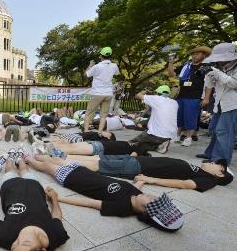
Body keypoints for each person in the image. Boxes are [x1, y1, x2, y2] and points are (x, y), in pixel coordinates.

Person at [26, 155, 185, 232]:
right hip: (83, 171)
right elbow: (136, 186)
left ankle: (27, 159)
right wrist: (143, 180)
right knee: (55, 159)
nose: (152, 196)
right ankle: (36, 153)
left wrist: (60, 199)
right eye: (156, 197)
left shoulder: (122, 208)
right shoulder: (136, 194)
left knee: (47, 166)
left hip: (72, 179)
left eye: (151, 200)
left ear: (143, 211)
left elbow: (91, 203)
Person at [0, 150, 69, 250]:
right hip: (34, 186)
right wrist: (54, 198)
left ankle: (10, 158)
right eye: (25, 243)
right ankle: (19, 159)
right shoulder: (57, 235)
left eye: (14, 245)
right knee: (24, 169)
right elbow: (57, 217)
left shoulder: (5, 237)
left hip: (10, 187)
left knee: (9, 170)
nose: (19, 238)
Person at [62, 154, 233, 192]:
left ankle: (58, 161)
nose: (214, 163)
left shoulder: (209, 180)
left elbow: (184, 184)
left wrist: (150, 179)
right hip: (139, 161)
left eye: (219, 166)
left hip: (138, 168)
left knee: (97, 165)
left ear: (220, 175)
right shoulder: (202, 172)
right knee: (98, 161)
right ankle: (59, 156)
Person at [200, 43, 237, 164]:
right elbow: (211, 85)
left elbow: (234, 84)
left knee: (224, 131)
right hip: (220, 103)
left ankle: (220, 161)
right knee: (214, 129)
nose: (218, 60)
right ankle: (210, 154)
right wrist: (209, 75)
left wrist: (217, 73)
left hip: (233, 104)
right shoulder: (219, 67)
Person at [168, 46, 212, 147]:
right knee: (179, 117)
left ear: (204, 55)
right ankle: (177, 136)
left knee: (190, 117)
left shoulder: (206, 67)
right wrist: (170, 62)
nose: (194, 56)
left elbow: (210, 83)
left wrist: (206, 98)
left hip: (194, 96)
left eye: (197, 54)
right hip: (181, 95)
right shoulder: (186, 65)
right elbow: (171, 74)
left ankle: (188, 138)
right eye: (193, 54)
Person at [130, 85, 178, 154]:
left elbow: (137, 95)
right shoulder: (174, 102)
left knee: (133, 144)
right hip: (170, 135)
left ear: (157, 93)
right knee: (148, 141)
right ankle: (161, 144)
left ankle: (158, 145)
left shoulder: (156, 99)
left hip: (156, 134)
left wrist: (146, 91)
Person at [83, 47, 120, 132]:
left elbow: (86, 75)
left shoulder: (97, 66)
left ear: (101, 56)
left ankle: (86, 132)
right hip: (108, 93)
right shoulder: (114, 66)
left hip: (97, 93)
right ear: (110, 56)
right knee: (103, 115)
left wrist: (90, 65)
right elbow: (117, 73)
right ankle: (100, 133)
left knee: (88, 113)